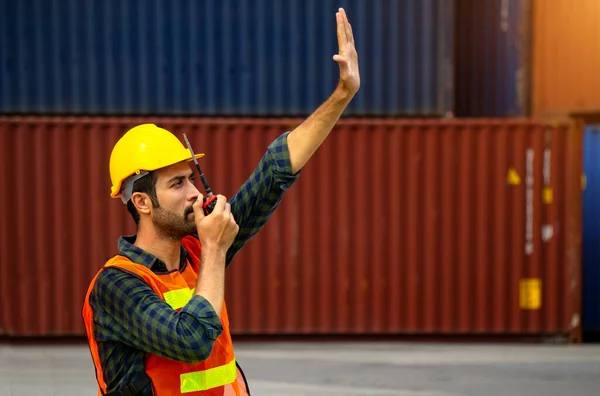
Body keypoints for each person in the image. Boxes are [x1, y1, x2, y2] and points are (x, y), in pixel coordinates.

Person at [82, 7, 360, 396]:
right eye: (177, 183)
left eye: (192, 179)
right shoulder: (117, 286)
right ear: (142, 203)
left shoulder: (197, 254)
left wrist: (343, 95)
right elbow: (191, 341)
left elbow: (273, 174)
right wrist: (215, 249)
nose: (195, 193)